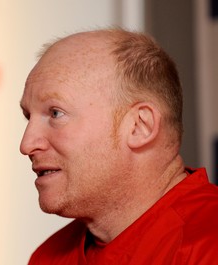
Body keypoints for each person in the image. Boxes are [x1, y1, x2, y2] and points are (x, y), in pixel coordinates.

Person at [19, 28, 218, 264]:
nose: (26, 144)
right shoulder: (48, 257)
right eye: (28, 116)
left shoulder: (208, 245)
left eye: (55, 113)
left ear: (139, 126)